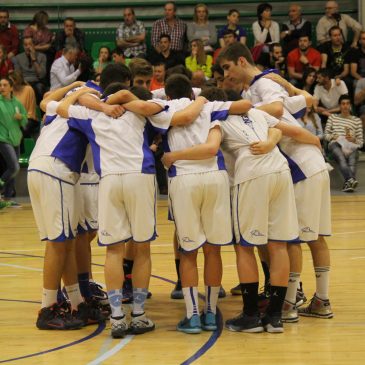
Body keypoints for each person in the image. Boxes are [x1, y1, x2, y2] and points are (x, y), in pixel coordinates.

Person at [219, 42, 333, 325]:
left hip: (300, 166)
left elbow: (277, 110)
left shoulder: (259, 88)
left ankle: (289, 302)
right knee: (314, 237)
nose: (226, 74)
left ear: (242, 61)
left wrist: (246, 108)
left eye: (227, 67)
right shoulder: (264, 83)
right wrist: (292, 88)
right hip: (311, 165)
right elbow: (306, 99)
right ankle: (321, 300)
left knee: (289, 239)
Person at [28, 82, 107, 330]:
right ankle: (48, 308)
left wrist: (75, 88)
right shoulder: (80, 112)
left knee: (68, 240)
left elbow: (46, 100)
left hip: (44, 168)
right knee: (58, 243)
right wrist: (84, 92)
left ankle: (76, 303)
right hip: (57, 168)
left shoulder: (56, 111)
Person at [324, 94, 363, 192]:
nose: (345, 106)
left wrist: (353, 139)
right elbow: (326, 135)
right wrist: (334, 136)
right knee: (341, 158)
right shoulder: (332, 117)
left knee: (352, 161)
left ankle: (348, 184)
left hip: (351, 144)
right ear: (340, 106)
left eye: (347, 103)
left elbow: (361, 142)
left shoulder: (357, 120)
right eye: (343, 104)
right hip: (335, 143)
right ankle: (351, 179)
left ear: (350, 106)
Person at [0, 77, 27, 202]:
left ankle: (7, 199)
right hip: (3, 138)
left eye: (5, 85)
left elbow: (25, 119)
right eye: (0, 85)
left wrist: (20, 117)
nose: (2, 88)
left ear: (11, 88)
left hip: (16, 139)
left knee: (13, 170)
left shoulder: (17, 103)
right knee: (15, 167)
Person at [13, 37, 47, 104]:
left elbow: (42, 75)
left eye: (30, 44)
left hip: (37, 81)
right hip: (24, 81)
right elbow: (17, 75)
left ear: (33, 45)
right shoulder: (17, 58)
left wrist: (34, 59)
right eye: (25, 45)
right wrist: (24, 82)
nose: (28, 47)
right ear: (23, 46)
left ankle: (40, 111)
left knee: (39, 88)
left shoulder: (42, 56)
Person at [23, 10, 54, 75]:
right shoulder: (29, 30)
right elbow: (28, 46)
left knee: (51, 54)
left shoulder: (46, 30)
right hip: (32, 52)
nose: (46, 22)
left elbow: (49, 44)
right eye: (45, 20)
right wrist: (42, 47)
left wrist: (37, 46)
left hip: (46, 53)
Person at [9, 70, 38, 138]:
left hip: (29, 118)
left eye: (10, 80)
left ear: (16, 80)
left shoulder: (28, 89)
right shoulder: (10, 91)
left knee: (22, 129)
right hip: (14, 119)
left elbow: (31, 112)